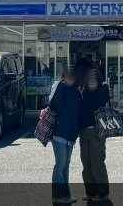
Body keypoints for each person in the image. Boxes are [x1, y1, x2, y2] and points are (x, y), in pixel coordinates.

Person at [49, 68, 81, 204]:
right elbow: (53, 104)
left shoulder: (76, 92)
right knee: (60, 164)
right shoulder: (60, 88)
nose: (71, 79)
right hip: (59, 133)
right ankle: (58, 196)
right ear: (63, 77)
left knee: (66, 165)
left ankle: (65, 196)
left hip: (70, 136)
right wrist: (60, 85)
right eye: (68, 77)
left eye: (73, 77)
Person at [79, 69, 110, 205]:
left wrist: (102, 85)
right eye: (89, 79)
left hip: (97, 131)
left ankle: (102, 193)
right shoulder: (83, 92)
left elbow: (104, 98)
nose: (92, 82)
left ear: (98, 81)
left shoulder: (102, 90)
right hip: (83, 131)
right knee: (86, 164)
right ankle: (91, 193)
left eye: (94, 79)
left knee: (97, 163)